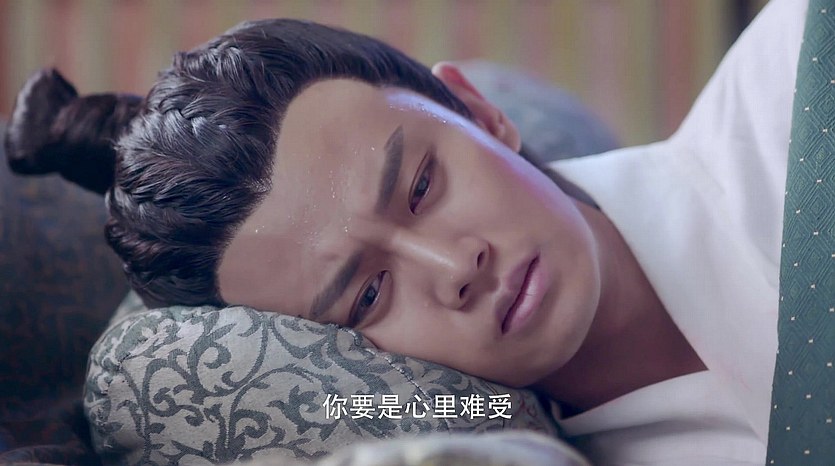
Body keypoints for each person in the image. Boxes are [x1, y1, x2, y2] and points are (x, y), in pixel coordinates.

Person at [2, 0, 808, 463]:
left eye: (422, 185)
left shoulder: (801, 83)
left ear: (479, 113)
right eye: (368, 294)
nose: (453, 268)